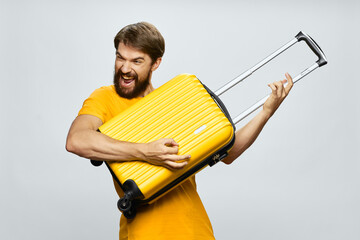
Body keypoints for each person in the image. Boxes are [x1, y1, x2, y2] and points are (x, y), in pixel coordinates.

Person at [66, 22, 293, 240]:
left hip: (196, 229)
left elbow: (228, 152)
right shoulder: (105, 98)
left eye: (136, 61)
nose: (125, 69)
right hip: (146, 233)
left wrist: (266, 112)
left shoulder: (173, 102)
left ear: (156, 63)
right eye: (120, 57)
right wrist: (145, 151)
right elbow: (77, 140)